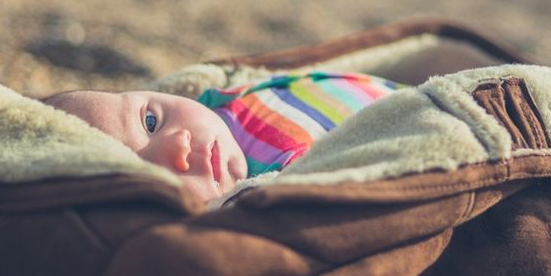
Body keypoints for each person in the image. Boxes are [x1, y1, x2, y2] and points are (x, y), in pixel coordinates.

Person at [45, 72, 401, 202]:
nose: (178, 146)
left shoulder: (221, 99)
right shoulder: (272, 191)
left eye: (150, 121)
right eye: (153, 174)